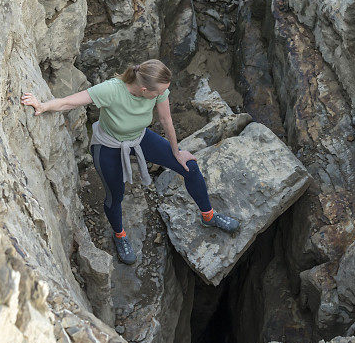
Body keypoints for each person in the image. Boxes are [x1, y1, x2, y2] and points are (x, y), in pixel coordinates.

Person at [21, 59, 241, 264]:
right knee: (115, 195)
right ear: (144, 90)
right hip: (108, 146)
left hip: (139, 137)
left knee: (189, 167)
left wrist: (177, 151)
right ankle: (120, 235)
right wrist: (42, 105)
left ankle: (208, 215)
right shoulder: (111, 90)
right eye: (161, 91)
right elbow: (70, 102)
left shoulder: (157, 88)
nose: (165, 93)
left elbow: (165, 119)